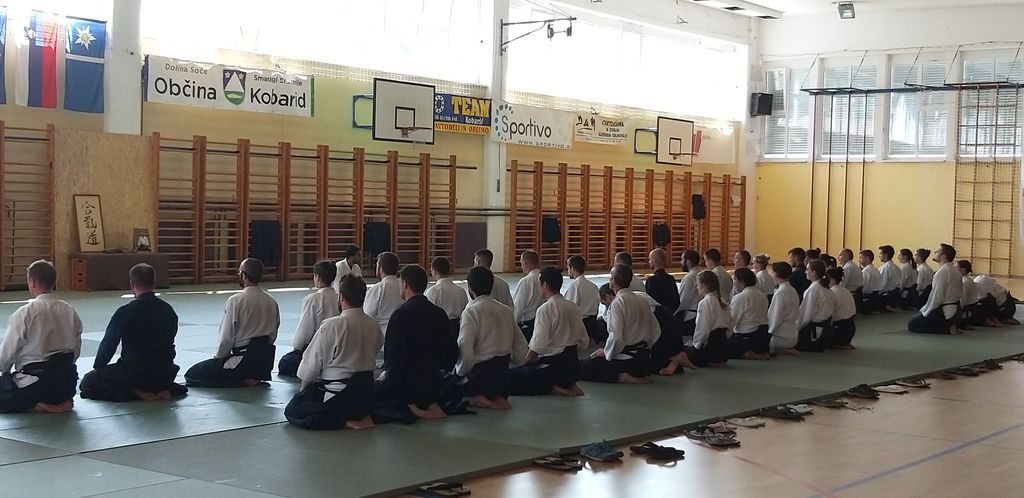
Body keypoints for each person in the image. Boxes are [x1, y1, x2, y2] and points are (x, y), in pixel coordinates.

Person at [284, 275, 382, 431]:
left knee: (293, 410)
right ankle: (360, 416)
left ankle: (342, 421)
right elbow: (376, 349)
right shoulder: (374, 324)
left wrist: (303, 390)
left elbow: (312, 364)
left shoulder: (332, 325)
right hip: (366, 396)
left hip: (340, 396)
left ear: (341, 297)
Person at [80, 264, 186, 401]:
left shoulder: (125, 311)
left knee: (88, 382)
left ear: (132, 284)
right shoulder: (168, 310)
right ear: (154, 283)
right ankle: (161, 388)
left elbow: (109, 344)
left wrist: (99, 368)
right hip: (164, 372)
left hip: (135, 373)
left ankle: (135, 391)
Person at [376, 265, 458, 420]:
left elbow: (393, 358)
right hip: (434, 380)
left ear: (405, 284)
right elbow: (451, 353)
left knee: (374, 394)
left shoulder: (400, 315)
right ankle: (430, 403)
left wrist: (388, 378)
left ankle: (412, 407)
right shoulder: (439, 313)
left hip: (407, 383)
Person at [0, 261, 82, 413]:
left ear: (32, 282)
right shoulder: (70, 311)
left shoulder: (25, 313)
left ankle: (35, 404)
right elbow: (75, 352)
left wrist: (5, 377)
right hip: (66, 385)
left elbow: (5, 356)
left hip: (36, 386)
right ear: (53, 281)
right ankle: (60, 402)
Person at [185, 258, 279, 387]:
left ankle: (240, 380)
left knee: (192, 374)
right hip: (264, 363)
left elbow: (226, 337)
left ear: (244, 275)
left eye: (239, 272)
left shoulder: (236, 301)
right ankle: (251, 377)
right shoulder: (272, 301)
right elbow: (273, 335)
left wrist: (219, 359)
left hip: (242, 361)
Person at [454, 266, 529, 410]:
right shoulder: (506, 310)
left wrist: (459, 373)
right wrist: (519, 363)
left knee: (448, 387)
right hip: (503, 377)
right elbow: (521, 345)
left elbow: (466, 351)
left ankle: (477, 398)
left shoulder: (471, 311)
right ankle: (498, 396)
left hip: (479, 377)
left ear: (470, 288)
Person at [509, 267, 589, 396]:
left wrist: (525, 362)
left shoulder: (546, 309)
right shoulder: (573, 307)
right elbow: (584, 342)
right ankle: (569, 384)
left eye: (539, 284)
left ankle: (553, 389)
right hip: (573, 368)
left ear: (545, 285)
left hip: (553, 369)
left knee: (509, 378)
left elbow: (538, 345)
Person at [581, 265, 660, 384]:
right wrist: (645, 347)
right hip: (643, 361)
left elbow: (616, 337)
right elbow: (656, 330)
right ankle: (637, 375)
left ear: (614, 281)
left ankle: (622, 378)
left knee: (583, 369)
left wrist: (606, 352)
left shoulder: (618, 303)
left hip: (627, 361)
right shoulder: (642, 300)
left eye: (610, 277)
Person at [278, 261, 339, 377]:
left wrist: (296, 349)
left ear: (317, 277)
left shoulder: (313, 299)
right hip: (337, 349)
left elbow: (305, 331)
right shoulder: (339, 298)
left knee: (286, 363)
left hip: (316, 349)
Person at [908, 244, 962, 335]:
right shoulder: (955, 271)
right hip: (955, 311)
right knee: (919, 318)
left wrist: (925, 312)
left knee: (912, 325)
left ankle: (946, 328)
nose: (935, 252)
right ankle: (950, 324)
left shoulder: (942, 272)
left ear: (943, 256)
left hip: (944, 312)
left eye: (937, 251)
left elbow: (937, 296)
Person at [682, 270, 732, 367]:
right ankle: (717, 360)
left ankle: (710, 360)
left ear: (704, 285)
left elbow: (703, 329)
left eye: (698, 284)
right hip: (724, 348)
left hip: (710, 347)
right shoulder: (723, 301)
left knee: (682, 352)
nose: (697, 287)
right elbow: (730, 325)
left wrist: (695, 346)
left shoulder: (705, 302)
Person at [728, 268, 770, 360]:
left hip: (747, 338)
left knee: (720, 348)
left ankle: (748, 353)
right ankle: (760, 352)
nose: (734, 283)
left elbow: (731, 321)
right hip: (763, 338)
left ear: (742, 282)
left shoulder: (741, 297)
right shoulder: (762, 295)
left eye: (735, 280)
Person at [424, 256, 469, 341]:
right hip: (458, 331)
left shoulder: (433, 291)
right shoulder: (461, 291)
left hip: (439, 331)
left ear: (434, 270)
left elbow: (427, 315)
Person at [796, 259, 834, 352]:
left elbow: (806, 315)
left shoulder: (813, 290)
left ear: (814, 272)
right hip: (826, 332)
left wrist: (795, 329)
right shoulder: (827, 289)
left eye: (807, 269)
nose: (805, 272)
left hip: (814, 334)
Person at [364, 252, 403, 338]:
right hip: (403, 335)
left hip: (382, 336)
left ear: (380, 268)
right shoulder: (404, 286)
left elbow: (367, 316)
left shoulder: (378, 289)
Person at [565, 255, 602, 344]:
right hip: (593, 323)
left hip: (581, 325)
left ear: (573, 269)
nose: (568, 271)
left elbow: (570, 308)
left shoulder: (574, 286)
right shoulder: (593, 286)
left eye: (568, 268)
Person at [768, 262, 800, 355]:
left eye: (772, 272)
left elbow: (776, 317)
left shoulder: (780, 293)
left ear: (775, 274)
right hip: (793, 336)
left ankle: (779, 349)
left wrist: (769, 332)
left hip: (780, 337)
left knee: (755, 342)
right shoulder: (792, 290)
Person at [956, 260, 999, 329]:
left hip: (971, 311)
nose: (954, 270)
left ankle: (984, 320)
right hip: (975, 308)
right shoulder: (966, 280)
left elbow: (962, 301)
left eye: (956, 268)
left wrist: (955, 312)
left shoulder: (965, 282)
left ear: (963, 270)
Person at [512, 250, 544, 340]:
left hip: (527, 325)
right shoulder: (544, 277)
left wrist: (512, 327)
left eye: (521, 263)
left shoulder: (526, 281)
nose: (521, 266)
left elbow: (518, 307)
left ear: (525, 263)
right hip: (542, 321)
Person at [827, 267, 858, 350]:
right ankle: (843, 343)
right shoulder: (846, 291)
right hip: (850, 329)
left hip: (839, 330)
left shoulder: (831, 292)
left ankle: (837, 343)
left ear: (831, 279)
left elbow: (828, 315)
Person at [676, 250, 705, 336]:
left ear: (688, 262)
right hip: (701, 314)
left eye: (682, 259)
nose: (681, 262)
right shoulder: (703, 274)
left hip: (690, 317)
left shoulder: (689, 277)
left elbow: (683, 301)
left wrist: (673, 315)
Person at [645, 248, 679, 313]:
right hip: (670, 314)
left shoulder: (652, 280)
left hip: (657, 315)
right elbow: (676, 301)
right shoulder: (670, 279)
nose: (649, 262)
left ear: (654, 261)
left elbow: (650, 302)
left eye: (650, 259)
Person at [878, 245, 902, 312]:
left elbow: (882, 285)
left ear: (886, 255)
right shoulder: (897, 268)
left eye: (880, 253)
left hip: (887, 296)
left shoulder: (884, 268)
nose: (879, 256)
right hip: (896, 295)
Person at [860, 250, 883, 314]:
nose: (860, 260)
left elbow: (864, 287)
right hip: (877, 298)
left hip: (868, 298)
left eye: (861, 257)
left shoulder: (866, 271)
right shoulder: (876, 270)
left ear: (867, 258)